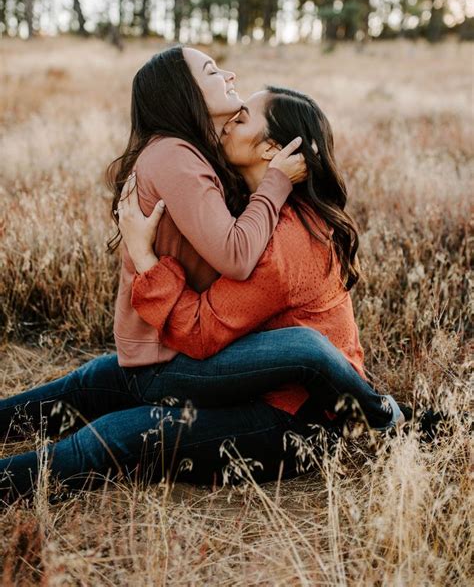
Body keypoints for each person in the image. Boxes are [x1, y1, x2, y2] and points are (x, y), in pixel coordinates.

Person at [0, 78, 405, 503]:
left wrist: (144, 256)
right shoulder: (258, 212)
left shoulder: (286, 242)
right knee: (100, 378)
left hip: (294, 423)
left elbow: (198, 331)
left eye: (243, 118)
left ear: (271, 149)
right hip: (247, 379)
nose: (230, 121)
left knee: (121, 433)